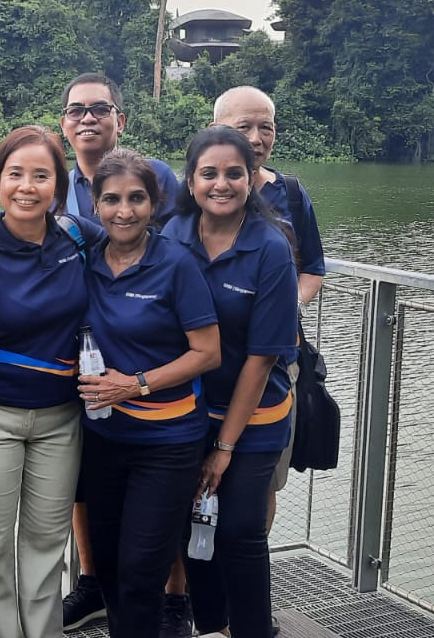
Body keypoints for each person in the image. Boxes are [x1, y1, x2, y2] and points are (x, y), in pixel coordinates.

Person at [0, 126, 105, 638]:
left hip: (62, 420)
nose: (27, 186)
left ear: (58, 185)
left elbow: (140, 233)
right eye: (15, 174)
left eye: (42, 175)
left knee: (46, 544)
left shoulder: (81, 238)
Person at [58, 73, 186, 632]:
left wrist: (137, 383)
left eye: (99, 108)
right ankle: (97, 589)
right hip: (91, 403)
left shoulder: (160, 184)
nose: (123, 210)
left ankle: (174, 600)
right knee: (105, 532)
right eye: (76, 110)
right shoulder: (52, 183)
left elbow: (201, 226)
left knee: (147, 549)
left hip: (160, 405)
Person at [77, 149, 220, 638]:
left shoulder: (176, 264)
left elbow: (207, 352)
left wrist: (134, 384)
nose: (124, 211)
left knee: (142, 570)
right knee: (109, 565)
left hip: (167, 443)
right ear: (94, 206)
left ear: (154, 203)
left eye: (136, 199)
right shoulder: (87, 258)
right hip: (102, 440)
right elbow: (26, 222)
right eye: (112, 199)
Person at [163, 127, 299, 638]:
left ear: (251, 180)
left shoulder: (270, 247)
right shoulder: (173, 233)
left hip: (254, 415)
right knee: (189, 522)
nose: (222, 184)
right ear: (192, 180)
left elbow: (263, 358)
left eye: (234, 173)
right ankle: (211, 624)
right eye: (209, 173)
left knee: (240, 529)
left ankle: (252, 629)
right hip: (187, 409)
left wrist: (223, 446)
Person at [211, 86, 325, 544]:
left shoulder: (291, 193)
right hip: (207, 362)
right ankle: (190, 596)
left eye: (266, 127)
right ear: (217, 129)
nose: (257, 138)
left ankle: (246, 585)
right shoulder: (197, 191)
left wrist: (283, 308)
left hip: (275, 365)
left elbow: (313, 269)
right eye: (244, 127)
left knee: (262, 482)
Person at [59, 73, 184, 227]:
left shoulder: (157, 176)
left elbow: (175, 241)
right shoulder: (56, 190)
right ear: (64, 125)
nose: (87, 119)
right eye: (75, 111)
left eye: (100, 109)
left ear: (120, 123)